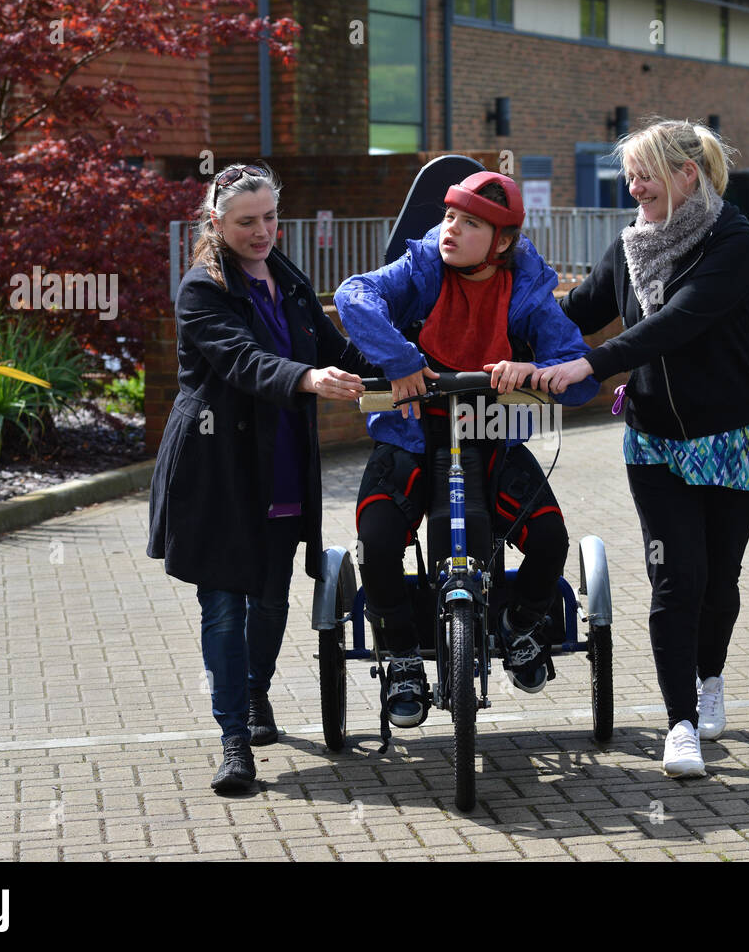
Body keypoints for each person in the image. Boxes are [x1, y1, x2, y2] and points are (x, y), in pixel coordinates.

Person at [534, 119, 749, 779]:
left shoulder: (731, 241)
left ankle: (712, 676)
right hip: (655, 443)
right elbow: (575, 311)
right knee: (677, 579)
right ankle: (680, 724)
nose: (631, 184)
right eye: (629, 173)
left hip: (736, 438)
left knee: (718, 580)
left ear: (685, 177)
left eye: (644, 172)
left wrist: (592, 365)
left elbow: (678, 322)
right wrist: (500, 314)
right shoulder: (630, 245)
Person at [334, 172, 599, 729]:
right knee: (377, 541)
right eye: (450, 216)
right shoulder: (421, 266)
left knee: (550, 540)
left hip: (489, 427)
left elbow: (578, 374)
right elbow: (352, 295)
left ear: (501, 242)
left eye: (470, 223)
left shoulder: (526, 285)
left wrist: (536, 370)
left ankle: (520, 627)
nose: (450, 229)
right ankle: (404, 658)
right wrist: (403, 360)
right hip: (411, 429)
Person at [147, 163, 376, 794]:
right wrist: (305, 380)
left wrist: (407, 373)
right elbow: (242, 361)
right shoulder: (202, 288)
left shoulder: (290, 282)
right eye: (247, 221)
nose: (262, 231)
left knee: (271, 596)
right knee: (223, 605)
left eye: (270, 217)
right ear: (215, 221)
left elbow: (338, 349)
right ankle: (233, 741)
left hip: (278, 463)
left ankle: (254, 694)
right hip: (216, 468)